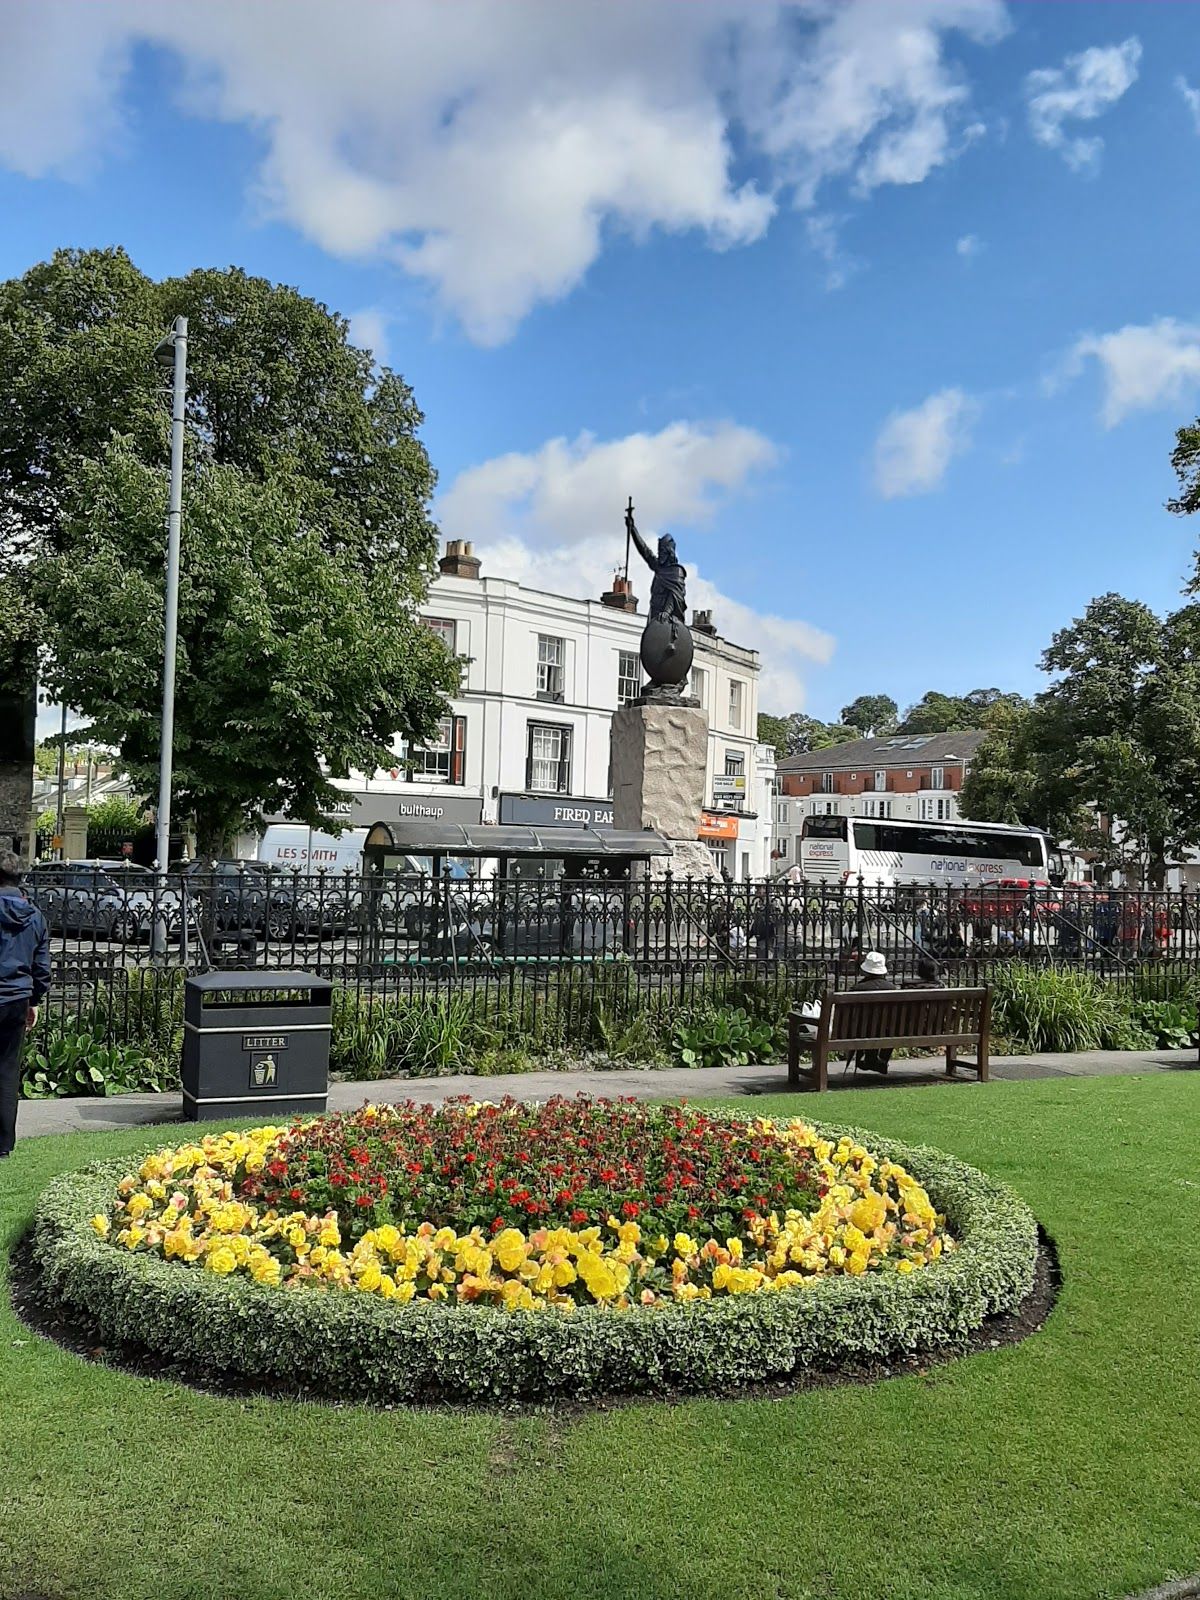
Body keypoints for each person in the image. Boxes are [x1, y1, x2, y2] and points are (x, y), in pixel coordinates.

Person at [0, 851, 51, 1159]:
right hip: (17, 998)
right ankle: (3, 1144)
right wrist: (34, 1000)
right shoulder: (35, 917)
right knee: (7, 1072)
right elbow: (41, 969)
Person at [850, 951, 893, 1074]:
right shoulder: (892, 988)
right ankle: (879, 1060)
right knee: (885, 1028)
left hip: (858, 1031)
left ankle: (872, 1060)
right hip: (887, 1031)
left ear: (865, 970)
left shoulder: (857, 989)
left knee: (867, 1027)